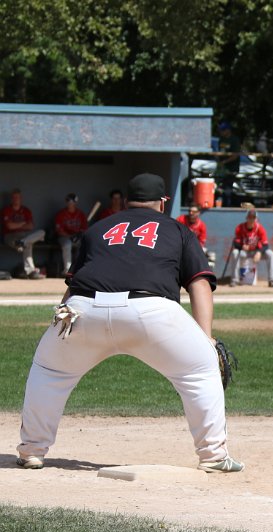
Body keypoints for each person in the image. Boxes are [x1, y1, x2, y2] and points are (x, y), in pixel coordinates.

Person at [14, 173, 243, 473]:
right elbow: (199, 284)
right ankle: (213, 455)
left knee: (49, 371)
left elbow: (73, 287)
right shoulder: (179, 230)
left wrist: (59, 323)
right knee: (201, 370)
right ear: (163, 203)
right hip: (151, 311)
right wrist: (206, 340)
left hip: (83, 310)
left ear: (125, 201)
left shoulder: (97, 229)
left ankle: (32, 450)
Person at [223, 208, 273, 287]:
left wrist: (259, 252)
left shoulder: (260, 228)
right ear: (246, 218)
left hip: (256, 252)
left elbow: (266, 244)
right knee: (235, 253)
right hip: (245, 252)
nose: (251, 219)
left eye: (253, 218)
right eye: (249, 217)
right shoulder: (240, 227)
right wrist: (242, 246)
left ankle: (271, 280)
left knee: (270, 253)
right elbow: (235, 243)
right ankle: (234, 280)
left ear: (256, 219)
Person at [2, 188, 45, 279]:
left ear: (21, 198)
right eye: (14, 197)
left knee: (42, 232)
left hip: (24, 236)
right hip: (11, 236)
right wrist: (23, 224)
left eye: (18, 197)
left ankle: (23, 242)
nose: (16, 199)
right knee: (28, 243)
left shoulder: (26, 210)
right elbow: (10, 226)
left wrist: (17, 225)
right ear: (11, 199)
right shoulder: (7, 210)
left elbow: (31, 226)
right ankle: (31, 272)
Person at [53, 193, 88, 277]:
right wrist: (70, 236)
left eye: (73, 202)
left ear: (76, 203)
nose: (71, 204)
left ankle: (80, 270)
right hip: (64, 237)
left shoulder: (81, 214)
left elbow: (85, 229)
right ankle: (67, 270)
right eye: (69, 202)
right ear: (66, 202)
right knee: (67, 244)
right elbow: (59, 230)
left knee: (84, 245)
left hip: (77, 237)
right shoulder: (61, 214)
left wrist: (78, 235)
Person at [176, 205, 216, 270]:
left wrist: (193, 248)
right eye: (190, 211)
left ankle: (205, 273)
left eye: (193, 211)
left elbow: (202, 242)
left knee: (211, 256)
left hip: (194, 247)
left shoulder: (202, 225)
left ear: (198, 213)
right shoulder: (181, 219)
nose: (191, 213)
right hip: (180, 245)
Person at [215, 121, 241, 207]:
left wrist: (225, 161)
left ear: (228, 130)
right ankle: (219, 204)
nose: (221, 132)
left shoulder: (234, 140)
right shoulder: (221, 139)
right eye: (220, 130)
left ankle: (228, 205)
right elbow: (220, 152)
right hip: (221, 168)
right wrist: (218, 159)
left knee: (228, 187)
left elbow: (235, 156)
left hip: (231, 168)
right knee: (218, 187)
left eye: (223, 130)